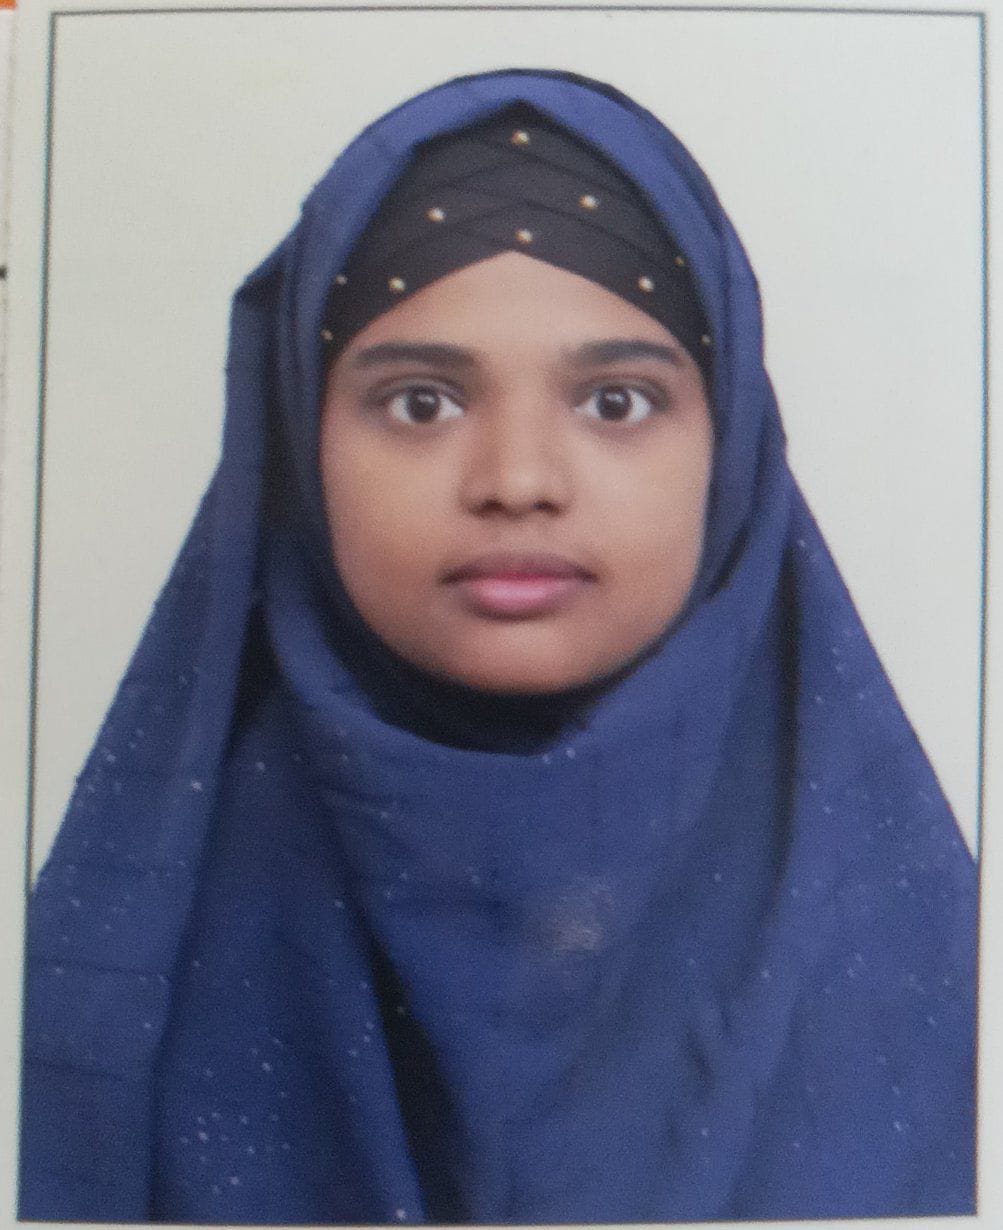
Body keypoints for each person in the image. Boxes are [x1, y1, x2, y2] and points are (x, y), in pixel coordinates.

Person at [19, 68, 976, 1224]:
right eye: (421, 403)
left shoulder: (927, 963)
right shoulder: (130, 961)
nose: (517, 481)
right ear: (299, 443)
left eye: (615, 402)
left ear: (729, 448)